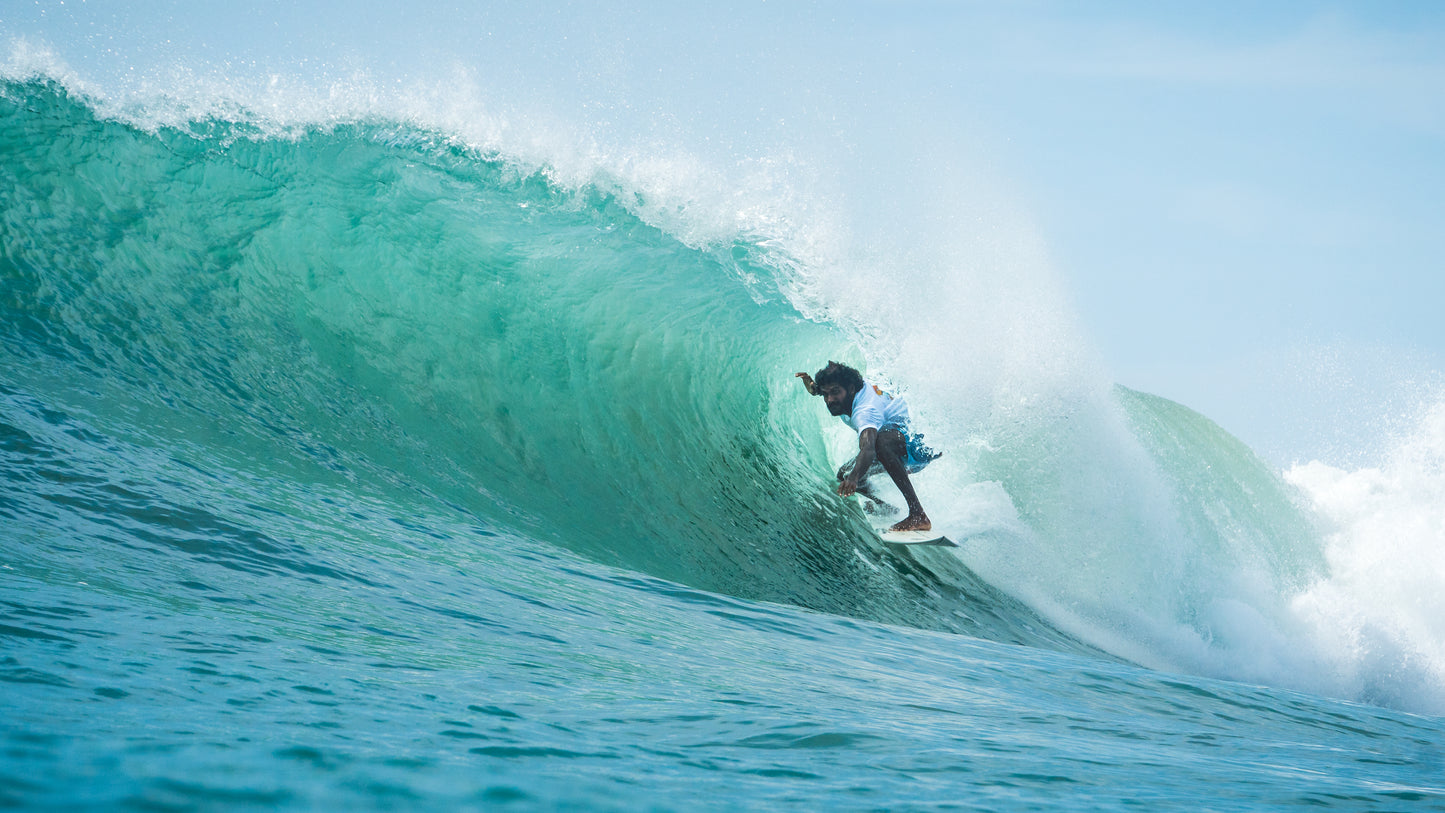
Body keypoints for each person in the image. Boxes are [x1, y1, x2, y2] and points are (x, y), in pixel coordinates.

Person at [796, 361, 939, 532]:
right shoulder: (849, 389)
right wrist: (813, 387)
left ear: (850, 389)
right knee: (844, 474)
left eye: (834, 393)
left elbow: (868, 447)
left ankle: (918, 515)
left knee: (878, 445)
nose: (830, 400)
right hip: (904, 441)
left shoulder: (865, 411)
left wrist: (854, 478)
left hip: (919, 448)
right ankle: (883, 507)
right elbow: (823, 390)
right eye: (825, 394)